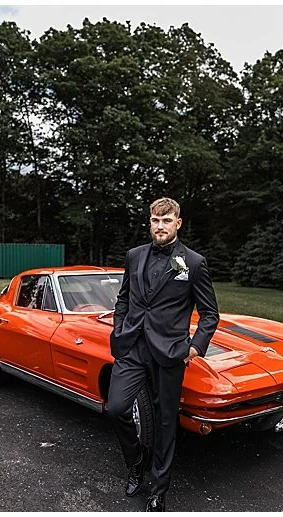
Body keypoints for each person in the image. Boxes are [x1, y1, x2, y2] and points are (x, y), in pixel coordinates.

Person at [104, 197, 220, 512]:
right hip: (133, 347)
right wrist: (119, 329)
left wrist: (195, 347)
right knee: (115, 408)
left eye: (166, 221)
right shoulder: (134, 255)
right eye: (155, 221)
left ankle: (158, 489)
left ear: (178, 223)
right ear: (149, 222)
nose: (160, 226)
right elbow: (124, 298)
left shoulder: (192, 263)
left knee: (167, 421)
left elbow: (210, 314)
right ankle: (136, 461)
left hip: (170, 352)